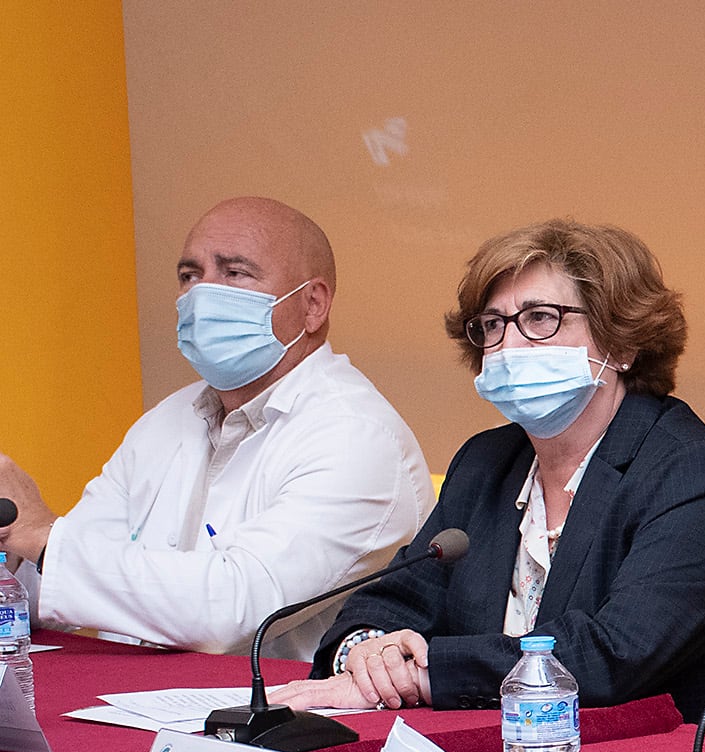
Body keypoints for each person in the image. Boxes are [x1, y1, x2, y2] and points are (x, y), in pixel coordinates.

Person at [272, 219, 705, 738]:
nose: (509, 346)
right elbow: (390, 600)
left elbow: (612, 655)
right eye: (494, 324)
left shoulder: (696, 475)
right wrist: (368, 651)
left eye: (542, 319)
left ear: (621, 344)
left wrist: (423, 675)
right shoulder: (485, 463)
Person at [0, 197, 428, 658]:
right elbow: (65, 580)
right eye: (190, 275)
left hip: (284, 722)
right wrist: (13, 548)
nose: (202, 294)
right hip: (136, 707)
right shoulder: (169, 417)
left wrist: (42, 536)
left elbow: (233, 609)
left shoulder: (358, 437)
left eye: (234, 273)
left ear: (313, 304)